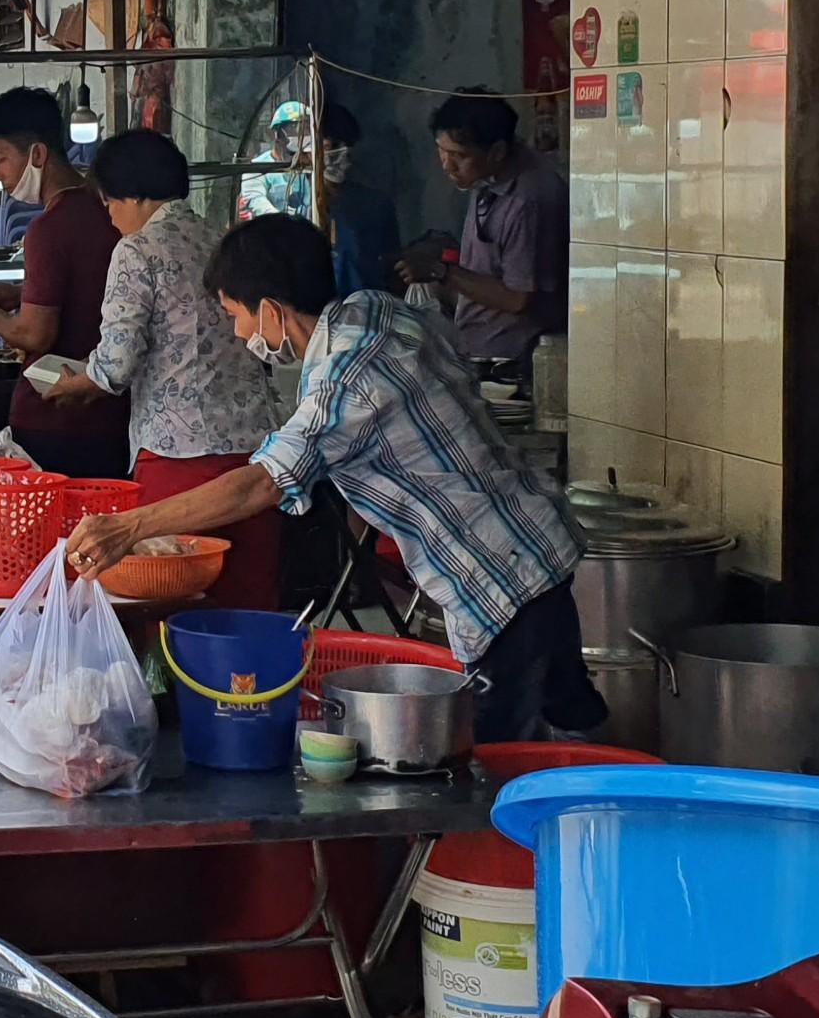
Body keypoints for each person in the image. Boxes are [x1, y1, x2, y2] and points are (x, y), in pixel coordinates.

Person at [66, 213, 604, 742]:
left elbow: (260, 483)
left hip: (498, 577)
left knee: (496, 757)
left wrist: (129, 527)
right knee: (569, 719)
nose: (238, 332)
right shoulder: (374, 310)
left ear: (271, 311)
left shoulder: (347, 379)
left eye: (236, 316)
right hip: (534, 541)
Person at [44, 130, 284, 604]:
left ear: (133, 195)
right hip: (257, 456)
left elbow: (115, 364)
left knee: (174, 603)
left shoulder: (137, 250)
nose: (111, 218)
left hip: (178, 456)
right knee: (248, 600)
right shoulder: (224, 240)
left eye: (110, 204)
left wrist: (75, 383)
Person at [0, 87, 128, 478]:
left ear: (38, 154)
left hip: (56, 413)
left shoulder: (49, 228)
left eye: (0, 158)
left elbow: (35, 335)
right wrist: (19, 295)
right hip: (112, 416)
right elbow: (87, 289)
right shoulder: (107, 208)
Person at [399, 90, 567, 366]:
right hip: (479, 347)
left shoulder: (527, 199)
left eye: (458, 155)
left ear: (497, 151)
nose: (447, 166)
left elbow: (517, 298)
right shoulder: (488, 176)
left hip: (509, 362)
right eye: (441, 151)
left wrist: (441, 271)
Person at [314, 102, 401, 296]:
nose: (343, 154)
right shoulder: (294, 201)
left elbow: (393, 269)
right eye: (332, 146)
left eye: (348, 145)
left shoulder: (376, 205)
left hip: (366, 306)